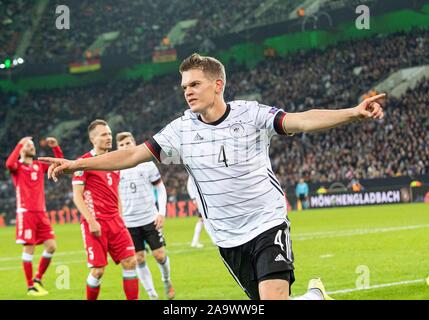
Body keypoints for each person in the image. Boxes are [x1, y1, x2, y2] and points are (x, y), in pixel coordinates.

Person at [41, 53, 385, 300]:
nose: (187, 91)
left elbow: (302, 120)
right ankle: (313, 296)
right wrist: (78, 164)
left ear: (217, 84)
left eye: (195, 84)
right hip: (227, 237)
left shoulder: (251, 114)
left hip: (267, 222)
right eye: (184, 86)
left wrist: (353, 113)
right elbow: (132, 155)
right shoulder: (180, 130)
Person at [71, 120, 138, 300]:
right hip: (95, 222)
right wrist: (91, 221)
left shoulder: (114, 162)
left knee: (131, 262)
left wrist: (121, 217)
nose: (109, 137)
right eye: (104, 135)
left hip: (115, 221)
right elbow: (77, 196)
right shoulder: (83, 162)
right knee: (98, 271)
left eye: (109, 134)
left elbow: (115, 192)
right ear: (93, 139)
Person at [116, 132, 175, 300]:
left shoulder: (147, 165)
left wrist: (161, 212)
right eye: (121, 145)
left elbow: (160, 188)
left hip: (150, 218)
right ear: (117, 148)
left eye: (128, 143)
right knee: (139, 259)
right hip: (128, 222)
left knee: (160, 255)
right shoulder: (115, 169)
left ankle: (166, 280)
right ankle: (152, 295)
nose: (125, 147)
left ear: (134, 143)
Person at [6, 136, 63, 296]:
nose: (32, 147)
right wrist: (19, 143)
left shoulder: (38, 165)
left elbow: (59, 164)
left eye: (32, 145)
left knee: (51, 246)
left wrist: (55, 148)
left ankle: (38, 279)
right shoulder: (17, 167)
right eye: (28, 145)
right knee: (29, 248)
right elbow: (9, 163)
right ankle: (30, 287)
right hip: (26, 213)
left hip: (41, 213)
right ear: (22, 149)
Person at [187, 175, 205, 248]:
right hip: (198, 199)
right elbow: (189, 186)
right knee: (202, 219)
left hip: (200, 199)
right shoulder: (193, 173)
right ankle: (194, 241)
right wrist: (194, 198)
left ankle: (195, 241)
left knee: (203, 220)